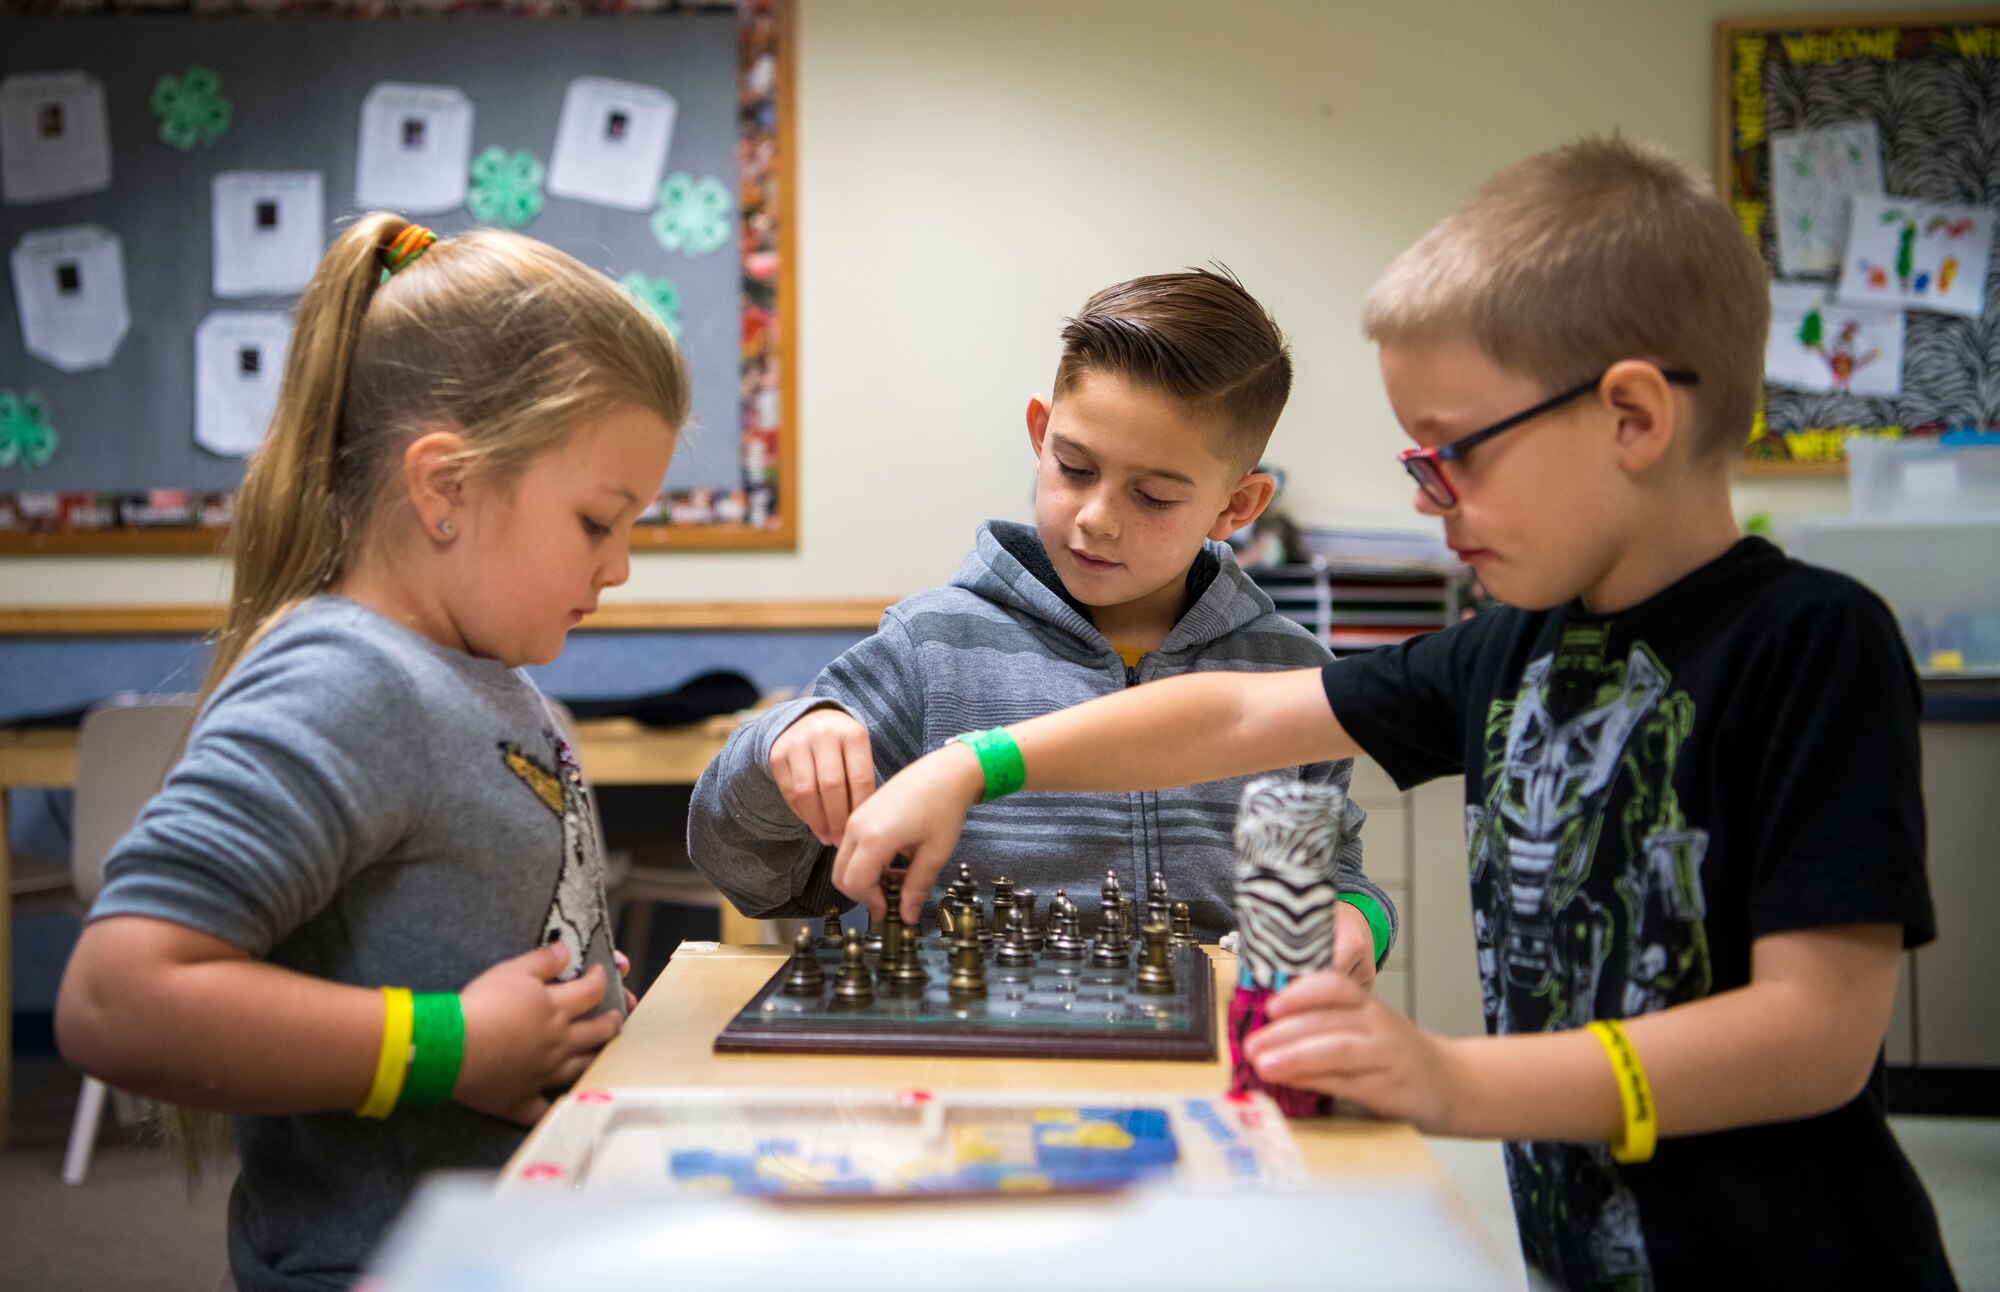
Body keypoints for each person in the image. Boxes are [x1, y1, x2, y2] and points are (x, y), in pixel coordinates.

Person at [825, 139, 1955, 1289]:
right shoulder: (1511, 647)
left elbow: (1814, 1039)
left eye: (1454, 455)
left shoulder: (1812, 641)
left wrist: (1454, 1080)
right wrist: (978, 762)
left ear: (1629, 416)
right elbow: (1224, 717)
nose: (1432, 501)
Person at [55, 215, 689, 1292]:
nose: (619, 565)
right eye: (597, 520)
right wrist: (455, 1042)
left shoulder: (483, 675)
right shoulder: (348, 678)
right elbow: (119, 997)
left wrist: (567, 990)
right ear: (443, 486)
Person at [687, 269, 1395, 970]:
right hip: (970, 1063)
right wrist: (780, 746)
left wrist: (1358, 919)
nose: (1096, 518)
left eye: (1152, 496)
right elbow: (756, 880)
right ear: (1040, 431)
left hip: (1208, 1065)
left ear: (1238, 507)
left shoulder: (1289, 675)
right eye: (1074, 468)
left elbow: (1333, 876)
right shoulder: (929, 649)